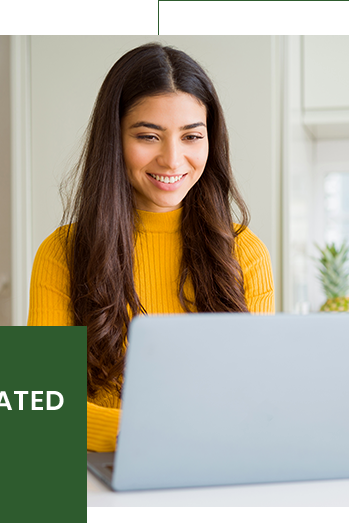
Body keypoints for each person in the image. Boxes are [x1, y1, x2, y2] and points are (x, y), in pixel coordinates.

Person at [27, 43, 274, 452]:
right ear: (114, 139)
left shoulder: (244, 251)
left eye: (192, 136)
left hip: (215, 464)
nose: (172, 159)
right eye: (148, 136)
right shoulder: (62, 252)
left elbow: (257, 397)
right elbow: (45, 402)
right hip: (99, 471)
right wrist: (149, 436)